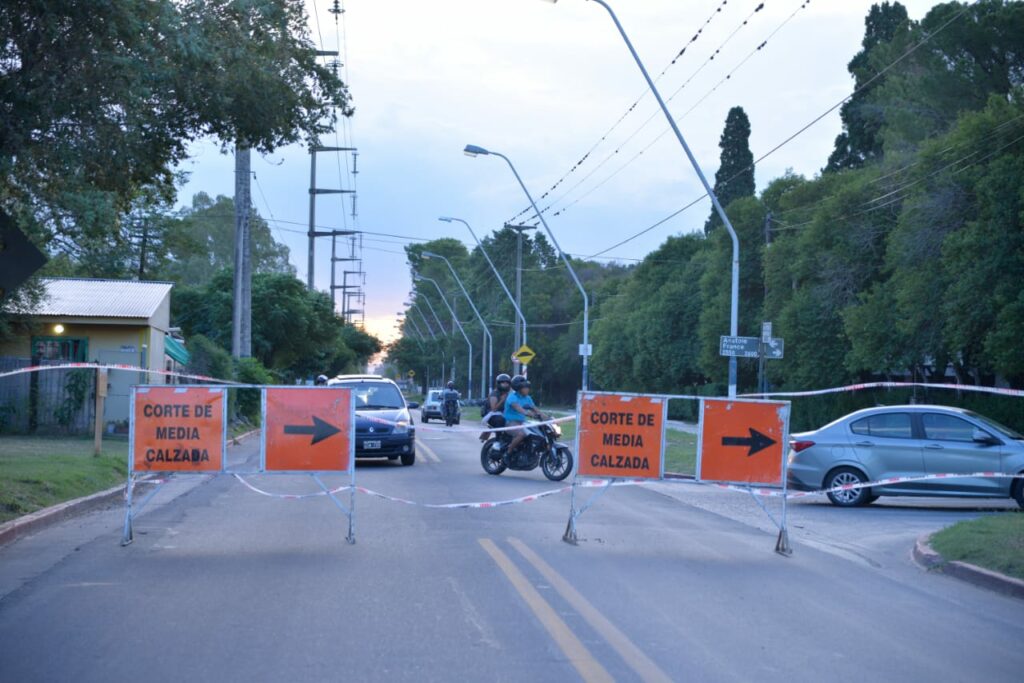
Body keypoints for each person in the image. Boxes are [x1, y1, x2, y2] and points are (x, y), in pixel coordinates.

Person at [503, 375, 544, 455]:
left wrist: (548, 418)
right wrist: (530, 414)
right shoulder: (512, 397)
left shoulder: (528, 398)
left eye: (528, 387)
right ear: (519, 389)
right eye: (525, 387)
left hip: (522, 422)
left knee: (537, 432)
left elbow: (536, 409)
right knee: (521, 434)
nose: (527, 389)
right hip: (510, 422)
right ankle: (508, 452)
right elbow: (519, 409)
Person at [480, 373, 512, 441]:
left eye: (507, 383)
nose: (505, 384)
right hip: (492, 415)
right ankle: (498, 440)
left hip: (502, 413)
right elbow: (493, 409)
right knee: (500, 420)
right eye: (503, 382)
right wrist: (502, 400)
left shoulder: (507, 393)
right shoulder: (494, 393)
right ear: (498, 383)